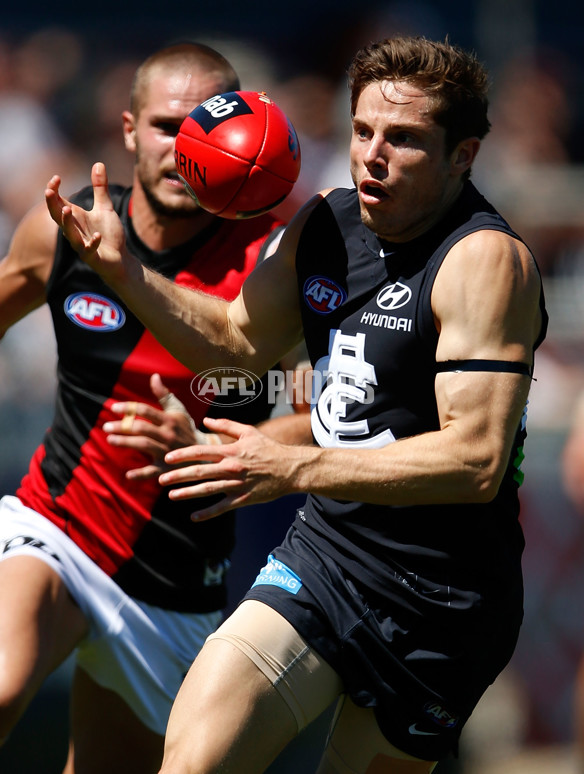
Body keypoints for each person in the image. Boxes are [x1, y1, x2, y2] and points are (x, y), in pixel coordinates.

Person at [46, 35, 548, 774]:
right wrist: (125, 271)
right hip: (324, 558)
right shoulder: (324, 225)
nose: (373, 155)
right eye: (363, 131)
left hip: (441, 603)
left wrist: (292, 466)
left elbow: (474, 460)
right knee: (192, 764)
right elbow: (234, 341)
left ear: (463, 154)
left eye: (405, 140)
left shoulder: (484, 262)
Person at [0, 41, 312, 774]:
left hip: (177, 582)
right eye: (168, 126)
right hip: (60, 528)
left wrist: (217, 440)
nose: (185, 147)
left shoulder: (273, 263)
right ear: (129, 131)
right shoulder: (63, 231)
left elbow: (321, 410)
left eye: (206, 125)